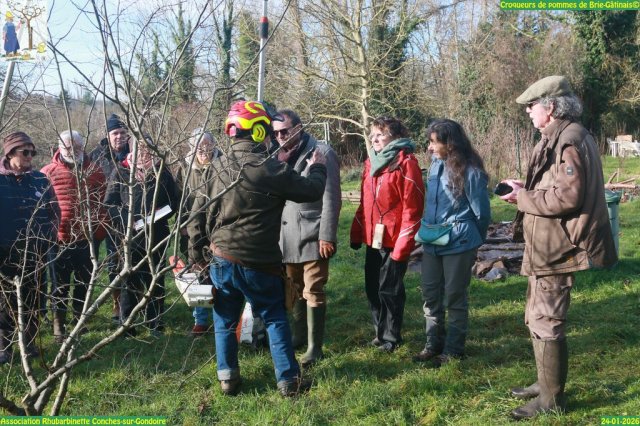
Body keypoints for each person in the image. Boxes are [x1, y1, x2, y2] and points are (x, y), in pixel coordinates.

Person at [188, 100, 327, 397]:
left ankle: (227, 378)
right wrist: (317, 167)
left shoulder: (216, 168)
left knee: (224, 320)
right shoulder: (269, 168)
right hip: (259, 262)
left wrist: (197, 257)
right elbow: (312, 190)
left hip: (221, 258)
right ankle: (288, 380)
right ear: (259, 130)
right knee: (274, 317)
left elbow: (195, 217)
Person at [500, 76, 617, 420]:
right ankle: (545, 383)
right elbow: (556, 184)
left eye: (531, 106)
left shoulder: (569, 139)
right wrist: (526, 187)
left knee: (547, 320)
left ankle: (551, 400)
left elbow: (568, 197)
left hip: (559, 247)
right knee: (537, 316)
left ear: (550, 107)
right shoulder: (558, 135)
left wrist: (521, 197)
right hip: (546, 246)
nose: (528, 112)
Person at [411, 119, 490, 367]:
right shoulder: (435, 166)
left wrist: (473, 242)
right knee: (430, 293)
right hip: (432, 240)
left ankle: (453, 350)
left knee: (454, 297)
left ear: (451, 144)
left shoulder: (471, 171)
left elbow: (482, 213)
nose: (429, 147)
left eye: (434, 142)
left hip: (459, 241)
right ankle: (432, 344)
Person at [349, 116, 425, 353]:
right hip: (373, 237)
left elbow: (413, 209)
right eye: (372, 134)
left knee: (389, 289)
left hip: (395, 239)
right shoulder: (370, 163)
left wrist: (403, 245)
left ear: (395, 137)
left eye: (380, 134)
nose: (374, 139)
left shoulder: (406, 163)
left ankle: (391, 337)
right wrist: (357, 230)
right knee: (372, 287)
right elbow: (365, 202)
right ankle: (379, 332)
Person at [274, 109, 341, 367]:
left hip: (313, 234)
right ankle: (299, 336)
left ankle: (315, 348)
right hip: (286, 235)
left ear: (299, 128)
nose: (280, 137)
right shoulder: (276, 155)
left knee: (313, 289)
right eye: (276, 133)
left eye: (285, 131)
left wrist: (327, 236)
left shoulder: (322, 152)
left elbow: (331, 197)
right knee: (294, 288)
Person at [104, 136, 178, 337]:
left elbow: (173, 201)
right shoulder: (121, 171)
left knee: (155, 280)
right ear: (132, 149)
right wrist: (127, 220)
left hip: (156, 234)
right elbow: (110, 203)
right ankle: (127, 325)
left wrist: (159, 213)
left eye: (148, 148)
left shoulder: (161, 171)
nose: (144, 152)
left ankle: (155, 323)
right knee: (129, 281)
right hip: (129, 237)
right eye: (140, 148)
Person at [41, 130, 108, 343]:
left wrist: (98, 234)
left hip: (86, 240)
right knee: (59, 285)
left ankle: (80, 322)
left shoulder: (94, 171)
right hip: (58, 240)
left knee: (83, 283)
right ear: (60, 147)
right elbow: (40, 208)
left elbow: (102, 204)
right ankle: (59, 327)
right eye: (68, 147)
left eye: (77, 147)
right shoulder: (47, 173)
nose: (73, 151)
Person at [0, 132, 58, 364]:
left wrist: (49, 236)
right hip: (4, 253)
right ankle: (5, 348)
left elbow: (54, 211)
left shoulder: (40, 179)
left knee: (33, 299)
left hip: (36, 252)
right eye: (25, 152)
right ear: (10, 153)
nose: (30, 156)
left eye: (32, 152)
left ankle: (30, 343)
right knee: (5, 302)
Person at [175, 128, 221, 337]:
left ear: (213, 145)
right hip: (192, 231)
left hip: (218, 230)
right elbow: (178, 198)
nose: (203, 150)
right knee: (197, 275)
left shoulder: (223, 165)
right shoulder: (184, 169)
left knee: (219, 274)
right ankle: (200, 321)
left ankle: (222, 318)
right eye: (198, 146)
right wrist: (182, 223)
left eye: (207, 145)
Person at [90, 114, 131, 323]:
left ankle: (131, 300)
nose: (119, 137)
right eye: (115, 133)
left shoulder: (133, 153)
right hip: (103, 216)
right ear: (107, 135)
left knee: (128, 260)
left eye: (123, 133)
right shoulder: (96, 156)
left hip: (127, 216)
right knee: (112, 262)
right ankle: (116, 302)